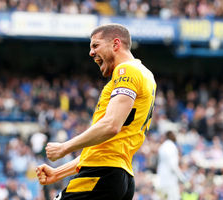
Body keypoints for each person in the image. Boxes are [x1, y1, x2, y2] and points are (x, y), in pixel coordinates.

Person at [35, 24, 157, 200]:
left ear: (116, 44)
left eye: (95, 45)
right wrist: (58, 173)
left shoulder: (126, 71)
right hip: (119, 176)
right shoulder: (145, 75)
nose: (91, 53)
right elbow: (104, 146)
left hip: (103, 174)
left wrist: (64, 147)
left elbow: (111, 125)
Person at [156, 131, 186, 200]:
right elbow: (173, 166)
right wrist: (182, 178)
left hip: (161, 179)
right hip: (170, 181)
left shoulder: (162, 147)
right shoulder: (172, 147)